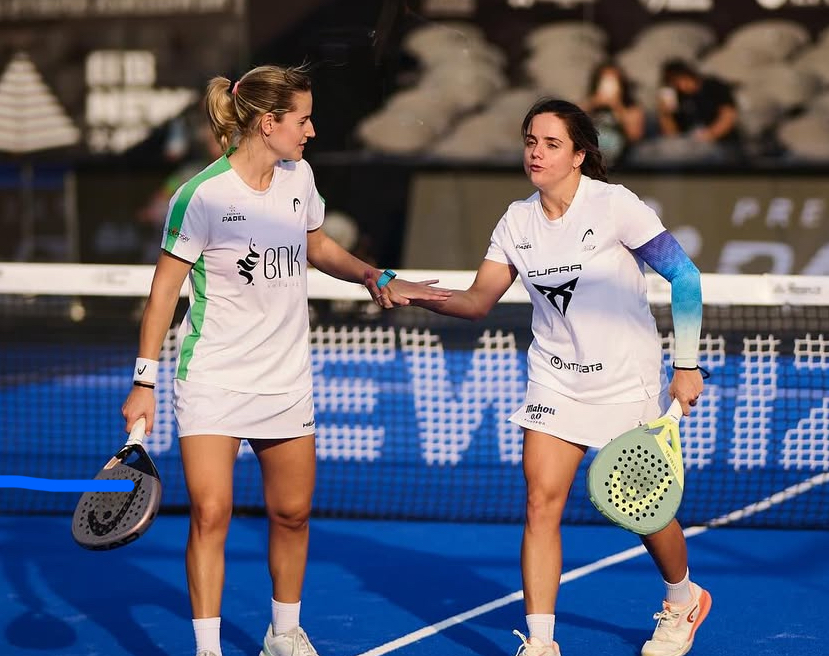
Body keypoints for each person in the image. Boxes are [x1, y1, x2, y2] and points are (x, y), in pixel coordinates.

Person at [121, 63, 449, 656]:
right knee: (212, 512)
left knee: (293, 513)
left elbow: (315, 243)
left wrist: (369, 274)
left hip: (287, 379)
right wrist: (143, 380)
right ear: (268, 123)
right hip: (214, 377)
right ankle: (208, 648)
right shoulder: (200, 196)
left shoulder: (299, 176)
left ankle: (284, 632)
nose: (312, 130)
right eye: (302, 119)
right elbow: (164, 292)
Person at [394, 98, 710, 656]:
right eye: (530, 142)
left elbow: (685, 278)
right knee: (541, 503)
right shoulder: (516, 222)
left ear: (580, 154)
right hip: (555, 382)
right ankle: (540, 643)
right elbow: (476, 301)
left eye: (551, 143)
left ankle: (683, 599)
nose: (536, 153)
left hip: (625, 381)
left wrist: (686, 363)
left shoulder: (615, 206)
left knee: (645, 512)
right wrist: (417, 294)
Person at [656, 58, 741, 162]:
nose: (676, 85)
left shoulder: (713, 86)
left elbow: (728, 116)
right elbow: (672, 134)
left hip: (720, 143)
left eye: (676, 80)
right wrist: (665, 114)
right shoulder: (678, 97)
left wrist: (710, 135)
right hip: (689, 146)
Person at [581, 61, 645, 167]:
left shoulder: (631, 107)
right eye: (604, 81)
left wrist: (617, 106)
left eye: (613, 81)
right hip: (590, 153)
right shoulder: (590, 103)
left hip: (619, 156)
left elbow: (634, 136)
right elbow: (570, 121)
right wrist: (593, 103)